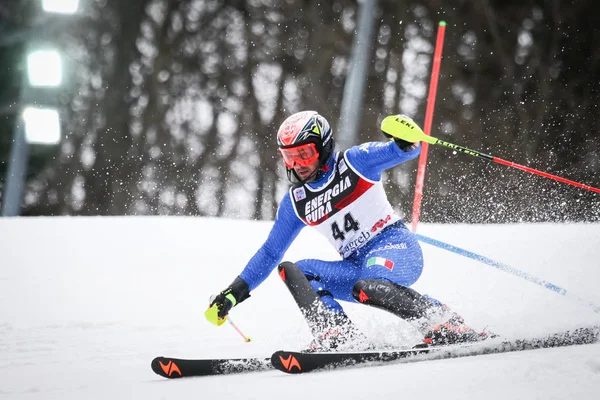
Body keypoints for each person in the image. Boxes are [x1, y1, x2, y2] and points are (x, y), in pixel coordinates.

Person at [205, 111, 487, 351]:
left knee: (370, 283)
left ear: (323, 147)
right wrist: (232, 294)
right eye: (289, 157)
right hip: (355, 266)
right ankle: (338, 334)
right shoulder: (296, 203)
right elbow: (270, 252)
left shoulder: (355, 162)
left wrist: (405, 137)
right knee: (296, 270)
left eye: (304, 154)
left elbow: (406, 149)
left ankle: (443, 323)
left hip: (394, 247)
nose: (297, 165)